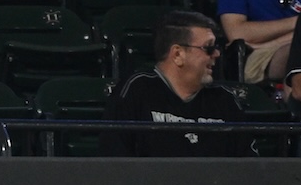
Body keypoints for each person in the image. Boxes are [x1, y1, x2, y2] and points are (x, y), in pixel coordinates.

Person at [102, 11, 253, 156]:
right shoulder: (136, 90)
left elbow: (250, 166)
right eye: (209, 48)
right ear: (178, 54)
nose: (217, 54)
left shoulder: (225, 101)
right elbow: (115, 162)